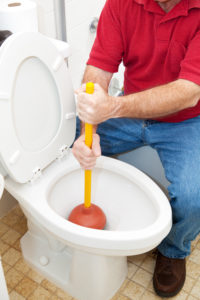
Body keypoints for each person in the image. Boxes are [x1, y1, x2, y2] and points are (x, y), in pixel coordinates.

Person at [72, 0, 200, 297]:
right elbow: (98, 70)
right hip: (129, 109)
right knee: (63, 144)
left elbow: (189, 92)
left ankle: (174, 250)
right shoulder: (121, 4)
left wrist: (112, 107)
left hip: (185, 121)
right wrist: (86, 131)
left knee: (194, 197)